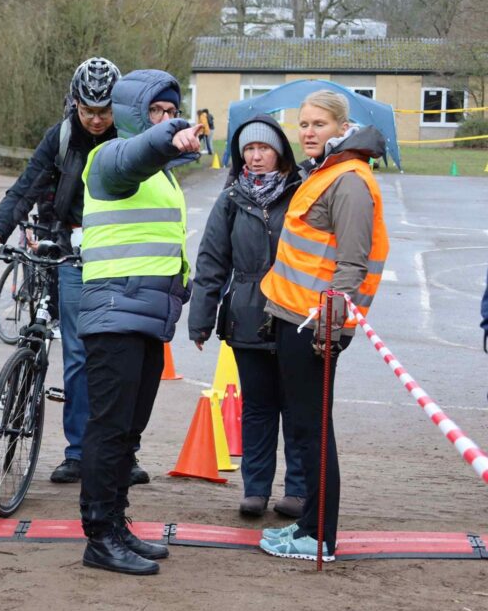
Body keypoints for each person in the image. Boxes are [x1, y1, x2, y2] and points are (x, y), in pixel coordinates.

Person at [0, 57, 148, 488]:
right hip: (73, 254)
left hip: (123, 257)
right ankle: (78, 452)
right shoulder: (63, 135)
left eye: (104, 110)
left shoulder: (133, 138)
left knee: (119, 358)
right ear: (74, 102)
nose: (94, 118)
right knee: (77, 354)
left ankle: (120, 453)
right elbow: (26, 185)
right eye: (87, 109)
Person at [77, 69, 200, 575]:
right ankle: (99, 535)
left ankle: (117, 523)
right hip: (115, 313)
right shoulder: (107, 159)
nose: (167, 121)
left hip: (145, 314)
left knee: (129, 431)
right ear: (133, 116)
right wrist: (168, 137)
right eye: (157, 112)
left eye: (173, 112)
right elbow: (135, 154)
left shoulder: (162, 172)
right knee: (109, 430)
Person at [258, 90, 389, 561]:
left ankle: (320, 537)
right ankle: (308, 525)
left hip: (315, 327)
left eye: (318, 125)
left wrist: (329, 331)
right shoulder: (327, 171)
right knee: (304, 426)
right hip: (295, 317)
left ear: (341, 127)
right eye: (304, 124)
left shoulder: (350, 181)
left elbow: (351, 266)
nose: (308, 132)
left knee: (313, 430)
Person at [189, 115, 306, 519]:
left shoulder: (302, 194)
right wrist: (200, 318)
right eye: (249, 151)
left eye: (264, 149)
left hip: (295, 313)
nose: (255, 157)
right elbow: (211, 261)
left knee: (296, 406)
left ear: (280, 153)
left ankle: (298, 490)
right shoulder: (230, 200)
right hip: (246, 315)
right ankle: (255, 490)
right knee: (257, 406)